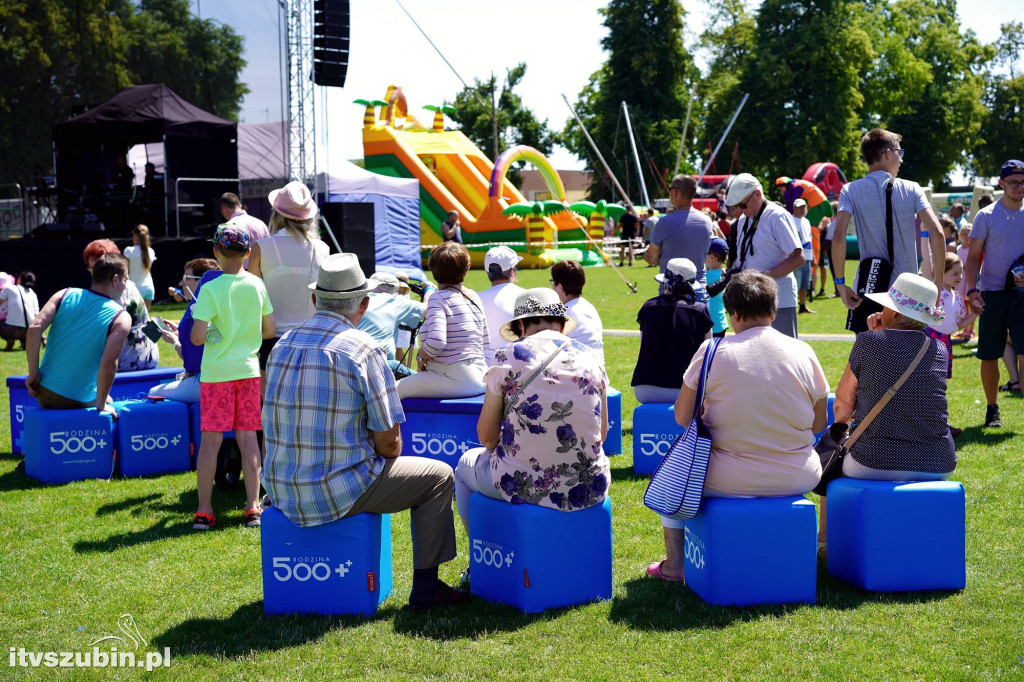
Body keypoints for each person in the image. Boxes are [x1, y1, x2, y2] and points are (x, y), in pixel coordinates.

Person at [262, 253, 467, 611]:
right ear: (364, 304)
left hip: (280, 485)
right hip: (334, 487)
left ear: (315, 299)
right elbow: (389, 442)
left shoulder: (283, 343)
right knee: (439, 476)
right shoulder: (363, 349)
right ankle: (427, 588)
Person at [647, 270, 829, 581]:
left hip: (725, 476)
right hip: (797, 475)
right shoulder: (804, 351)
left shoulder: (711, 351)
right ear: (773, 310)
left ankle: (676, 566)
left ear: (732, 314)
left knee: (674, 482)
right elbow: (818, 424)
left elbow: (681, 417)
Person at [453, 287, 609, 542]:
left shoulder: (509, 355)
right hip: (590, 485)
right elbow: (601, 434)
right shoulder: (591, 357)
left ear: (521, 326)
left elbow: (487, 436)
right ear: (559, 324)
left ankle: (477, 557)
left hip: (521, 482)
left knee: (463, 468)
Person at [817, 272, 956, 556]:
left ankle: (825, 542)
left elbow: (842, 408)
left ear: (892, 310)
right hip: (937, 460)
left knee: (830, 462)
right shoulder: (939, 349)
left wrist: (875, 336)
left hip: (873, 459)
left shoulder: (868, 342)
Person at [190, 225, 275, 531]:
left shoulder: (210, 289)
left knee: (211, 442)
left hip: (216, 376)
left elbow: (197, 338)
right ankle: (253, 507)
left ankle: (203, 510)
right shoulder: (257, 285)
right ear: (248, 254)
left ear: (215, 253)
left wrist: (211, 332)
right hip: (249, 372)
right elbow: (269, 331)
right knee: (249, 440)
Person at [831, 129, 945, 333]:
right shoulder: (912, 188)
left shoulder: (850, 190)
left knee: (867, 356)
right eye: (899, 153)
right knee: (907, 356)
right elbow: (937, 233)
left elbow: (838, 236)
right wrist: (937, 286)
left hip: (869, 286)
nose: (901, 160)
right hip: (907, 293)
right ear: (887, 153)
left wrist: (840, 284)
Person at [248, 180, 329, 391]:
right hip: (313, 338)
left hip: (271, 339)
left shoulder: (261, 247)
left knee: (270, 411)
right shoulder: (323, 248)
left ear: (277, 213)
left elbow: (252, 297)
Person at [25, 254, 131, 414]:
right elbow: (109, 364)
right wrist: (102, 405)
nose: (125, 285)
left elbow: (34, 328)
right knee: (109, 401)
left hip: (42, 391)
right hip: (75, 399)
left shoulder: (64, 294)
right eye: (126, 280)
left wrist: (33, 373)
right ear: (115, 279)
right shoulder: (121, 317)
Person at [963, 159, 1024, 428]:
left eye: (1023, 183)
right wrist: (973, 291)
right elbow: (973, 258)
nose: (1019, 187)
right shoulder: (986, 215)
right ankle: (992, 409)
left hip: (1022, 296)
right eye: (1013, 183)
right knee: (989, 354)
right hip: (992, 294)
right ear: (1001, 184)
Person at [398, 242, 487, 399]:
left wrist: (421, 357)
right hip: (480, 376)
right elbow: (485, 341)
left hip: (452, 377)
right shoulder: (474, 296)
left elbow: (437, 341)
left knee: (387, 393)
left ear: (433, 271)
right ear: (466, 271)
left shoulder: (438, 298)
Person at [724, 173, 805, 338]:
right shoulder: (742, 221)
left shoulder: (777, 216)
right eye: (736, 206)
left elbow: (798, 257)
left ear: (758, 194)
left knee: (784, 355)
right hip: (750, 302)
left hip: (778, 300)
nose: (739, 210)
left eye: (742, 205)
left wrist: (763, 278)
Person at [632, 258, 713, 403]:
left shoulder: (648, 307)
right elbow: (707, 355)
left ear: (664, 284)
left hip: (644, 388)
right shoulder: (700, 311)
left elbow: (643, 346)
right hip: (686, 389)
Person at [148, 258, 221, 404]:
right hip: (226, 377)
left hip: (206, 382)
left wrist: (175, 342)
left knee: (153, 392)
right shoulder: (218, 302)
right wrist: (181, 335)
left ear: (201, 280)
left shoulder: (200, 310)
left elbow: (193, 359)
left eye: (186, 278)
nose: (182, 283)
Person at [82, 240, 159, 371]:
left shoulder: (114, 289)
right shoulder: (131, 285)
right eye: (91, 268)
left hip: (129, 362)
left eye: (97, 269)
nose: (94, 274)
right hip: (151, 357)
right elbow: (150, 327)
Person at [925, 253, 978, 436]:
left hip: (946, 342)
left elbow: (958, 325)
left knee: (939, 385)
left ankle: (940, 423)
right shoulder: (936, 291)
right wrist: (926, 236)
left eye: (961, 273)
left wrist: (977, 313)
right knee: (928, 384)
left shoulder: (957, 297)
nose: (960, 277)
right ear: (942, 273)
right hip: (931, 340)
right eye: (955, 273)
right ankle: (933, 423)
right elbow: (927, 258)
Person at [645, 175, 714, 288]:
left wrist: (646, 253)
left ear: (675, 191)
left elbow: (652, 258)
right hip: (698, 287)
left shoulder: (664, 223)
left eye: (670, 188)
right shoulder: (707, 221)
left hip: (670, 289)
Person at [358, 272, 424, 378]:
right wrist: (429, 290)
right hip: (383, 366)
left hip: (352, 361)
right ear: (395, 288)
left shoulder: (357, 298)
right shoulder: (395, 300)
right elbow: (428, 309)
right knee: (422, 380)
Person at [477, 245, 525, 365]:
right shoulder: (526, 295)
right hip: (521, 365)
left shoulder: (475, 299)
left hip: (486, 368)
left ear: (488, 272)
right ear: (511, 271)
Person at [550, 259, 605, 364]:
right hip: (597, 367)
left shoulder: (562, 313)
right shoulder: (588, 306)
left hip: (577, 370)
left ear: (560, 287)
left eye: (553, 282)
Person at [1, 272, 40, 351]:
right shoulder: (33, 294)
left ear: (20, 279)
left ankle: (10, 340)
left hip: (10, 330)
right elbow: (37, 315)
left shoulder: (9, 288)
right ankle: (24, 341)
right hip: (28, 331)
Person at [123, 224, 156, 311]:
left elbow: (124, 269)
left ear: (135, 235)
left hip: (134, 289)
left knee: (132, 320)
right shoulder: (151, 251)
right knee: (145, 320)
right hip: (148, 288)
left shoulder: (128, 251)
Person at [793, 199, 816, 314]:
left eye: (803, 207)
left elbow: (809, 240)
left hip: (807, 256)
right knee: (796, 283)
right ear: (794, 208)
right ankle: (792, 307)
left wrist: (813, 257)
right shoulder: (791, 220)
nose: (802, 210)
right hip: (796, 257)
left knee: (805, 283)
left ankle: (802, 305)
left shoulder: (806, 221)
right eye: (799, 207)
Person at [705, 238, 730, 338]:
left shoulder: (707, 277)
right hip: (721, 322)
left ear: (712, 257)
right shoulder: (726, 275)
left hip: (711, 324)